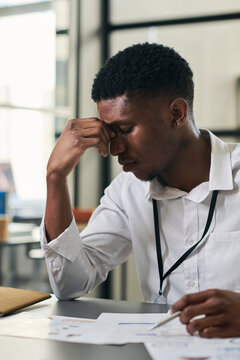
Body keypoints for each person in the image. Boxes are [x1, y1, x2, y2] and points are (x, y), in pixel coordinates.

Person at [41, 42, 240, 338]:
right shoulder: (127, 191)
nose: (114, 148)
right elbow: (70, 285)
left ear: (176, 114)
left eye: (125, 129)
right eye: (109, 133)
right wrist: (55, 178)